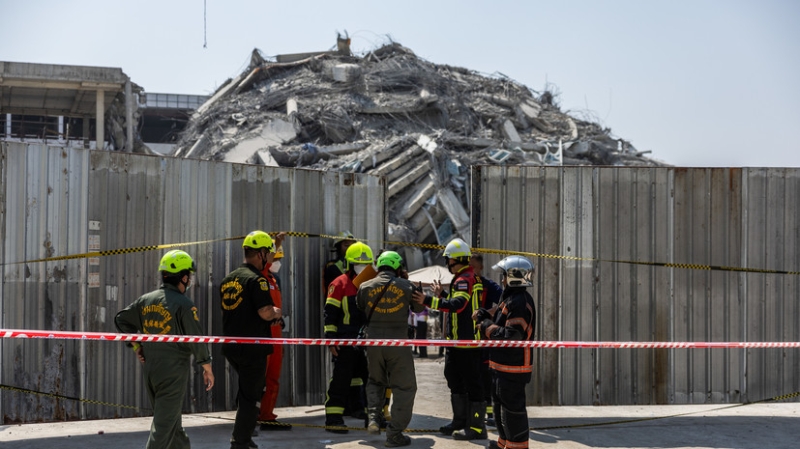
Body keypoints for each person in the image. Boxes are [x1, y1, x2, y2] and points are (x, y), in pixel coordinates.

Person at [115, 249, 214, 449]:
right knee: (163, 427)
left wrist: (137, 346)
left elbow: (121, 320)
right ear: (184, 277)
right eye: (189, 276)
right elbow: (196, 338)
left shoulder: (145, 300)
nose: (190, 280)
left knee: (172, 424)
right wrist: (207, 366)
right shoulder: (184, 305)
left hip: (151, 370)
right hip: (173, 372)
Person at [412, 237, 487, 440]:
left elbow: (458, 305)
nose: (447, 264)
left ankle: (477, 428)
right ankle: (459, 421)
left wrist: (427, 300)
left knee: (472, 385)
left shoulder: (464, 279)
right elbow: (459, 303)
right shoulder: (464, 278)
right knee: (454, 380)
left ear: (457, 260)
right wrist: (443, 294)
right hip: (457, 343)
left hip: (467, 344)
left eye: (449, 260)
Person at [220, 231, 283, 449]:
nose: (269, 257)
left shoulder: (229, 279)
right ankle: (241, 442)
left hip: (232, 346)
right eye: (268, 252)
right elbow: (265, 312)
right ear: (261, 254)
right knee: (252, 395)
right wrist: (277, 312)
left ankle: (243, 436)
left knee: (250, 389)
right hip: (253, 347)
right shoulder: (257, 281)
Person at [356, 251, 424, 447]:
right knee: (404, 387)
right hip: (398, 345)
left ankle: (373, 420)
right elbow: (419, 309)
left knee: (375, 381)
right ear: (397, 267)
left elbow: (360, 306)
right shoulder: (407, 286)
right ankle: (394, 434)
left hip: (374, 344)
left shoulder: (365, 286)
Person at [474, 255, 537, 449]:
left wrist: (485, 326)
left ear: (514, 276)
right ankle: (504, 445)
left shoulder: (519, 302)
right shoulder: (510, 298)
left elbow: (511, 336)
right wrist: (486, 313)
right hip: (501, 366)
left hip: (514, 368)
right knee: (502, 410)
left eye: (504, 275)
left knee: (512, 413)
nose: (501, 280)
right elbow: (499, 314)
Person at [323, 241, 372, 433]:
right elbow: (330, 314)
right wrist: (331, 339)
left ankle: (371, 416)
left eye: (366, 265)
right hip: (344, 340)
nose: (362, 269)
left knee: (369, 379)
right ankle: (333, 418)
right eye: (359, 264)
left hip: (367, 341)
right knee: (341, 379)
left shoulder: (372, 283)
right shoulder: (339, 284)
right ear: (349, 264)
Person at [257, 234, 291, 431]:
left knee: (273, 377)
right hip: (263, 333)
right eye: (274, 257)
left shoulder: (273, 279)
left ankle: (267, 416)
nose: (276, 262)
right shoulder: (260, 275)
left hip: (276, 333)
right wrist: (275, 243)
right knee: (258, 378)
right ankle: (251, 415)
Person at [471, 253, 504, 427]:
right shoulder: (463, 285)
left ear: (481, 268)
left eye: (473, 267)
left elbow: (503, 303)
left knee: (486, 376)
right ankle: (474, 415)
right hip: (466, 341)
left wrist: (486, 313)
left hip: (483, 339)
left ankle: (490, 414)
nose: (471, 271)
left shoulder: (488, 286)